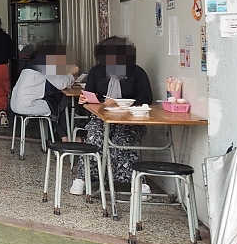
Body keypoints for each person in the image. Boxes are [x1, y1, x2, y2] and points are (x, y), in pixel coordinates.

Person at [73, 36, 154, 196]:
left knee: (120, 142)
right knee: (95, 139)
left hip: (131, 120)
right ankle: (82, 178)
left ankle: (138, 182)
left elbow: (146, 99)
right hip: (101, 118)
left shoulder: (137, 73)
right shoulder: (97, 72)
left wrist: (123, 104)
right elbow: (89, 97)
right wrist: (85, 100)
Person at [10, 42, 79, 141]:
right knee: (60, 103)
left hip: (15, 104)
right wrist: (71, 74)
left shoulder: (34, 64)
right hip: (28, 106)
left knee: (56, 102)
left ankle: (64, 136)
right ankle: (67, 138)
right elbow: (61, 84)